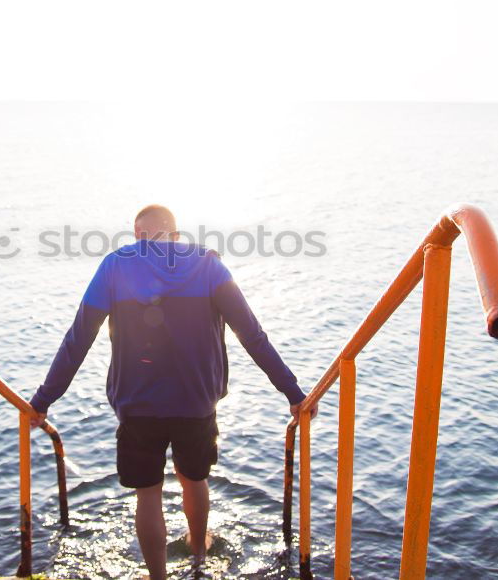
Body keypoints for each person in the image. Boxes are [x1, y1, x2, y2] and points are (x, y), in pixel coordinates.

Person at [28, 205, 317, 580]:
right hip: (196, 402)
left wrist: (42, 401)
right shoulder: (208, 265)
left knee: (147, 495)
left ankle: (158, 577)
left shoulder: (116, 266)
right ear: (175, 233)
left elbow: (78, 339)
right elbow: (252, 334)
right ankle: (198, 555)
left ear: (138, 235)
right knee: (194, 480)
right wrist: (292, 393)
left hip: (137, 405)